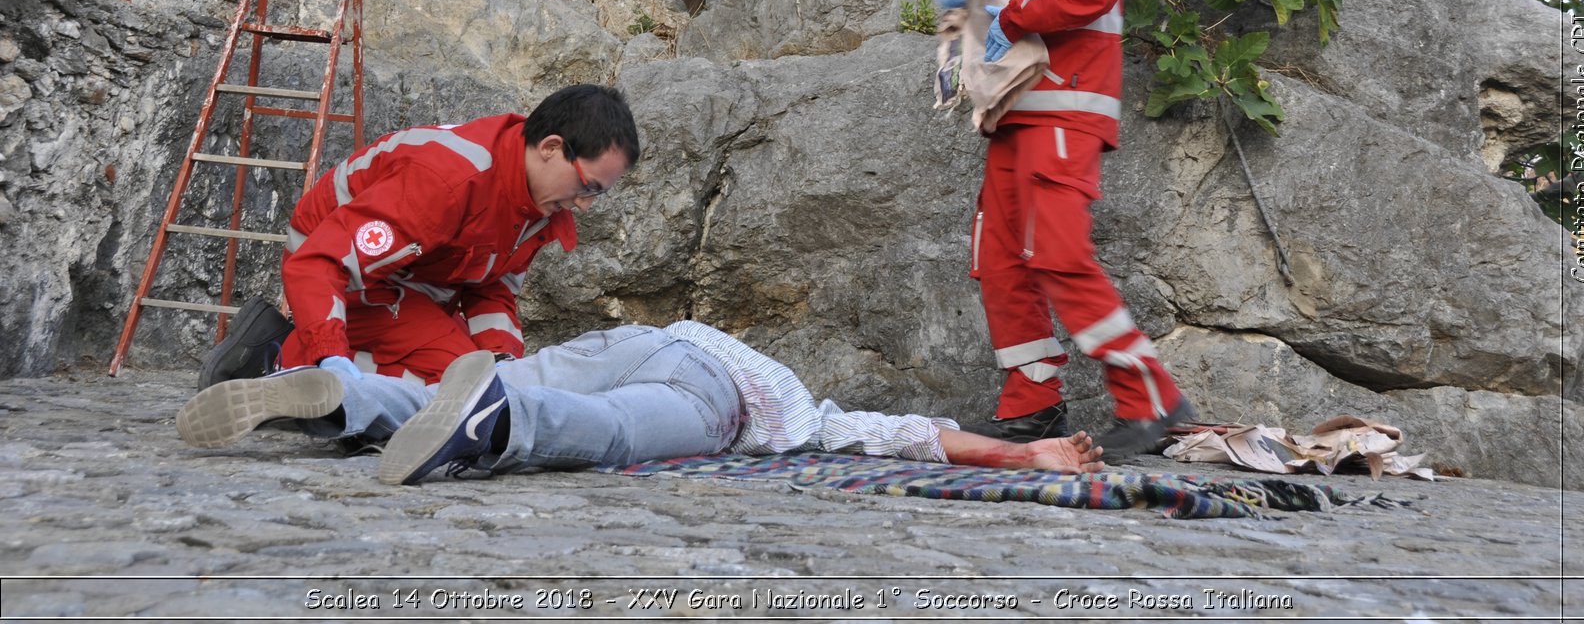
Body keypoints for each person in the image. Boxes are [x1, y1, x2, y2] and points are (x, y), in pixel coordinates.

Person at [934, 0, 1191, 461]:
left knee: (1058, 256)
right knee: (998, 263)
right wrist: (963, 15)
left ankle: (1153, 399)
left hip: (1065, 111)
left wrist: (1010, 12)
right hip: (1014, 116)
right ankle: (1031, 404)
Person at [176, 322, 1106, 483]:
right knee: (619, 435)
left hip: (637, 338)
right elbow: (915, 437)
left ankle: (345, 396)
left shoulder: (751, 358)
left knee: (499, 376)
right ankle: (493, 426)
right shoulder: (804, 415)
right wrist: (1026, 452)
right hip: (700, 390)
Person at [197, 84, 638, 389]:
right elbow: (321, 261)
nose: (585, 204)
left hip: (412, 277)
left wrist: (504, 360)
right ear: (551, 148)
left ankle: (319, 365)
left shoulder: (535, 202)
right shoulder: (446, 182)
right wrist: (328, 353)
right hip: (346, 268)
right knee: (456, 379)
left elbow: (493, 287)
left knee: (483, 377)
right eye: (588, 186)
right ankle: (282, 361)